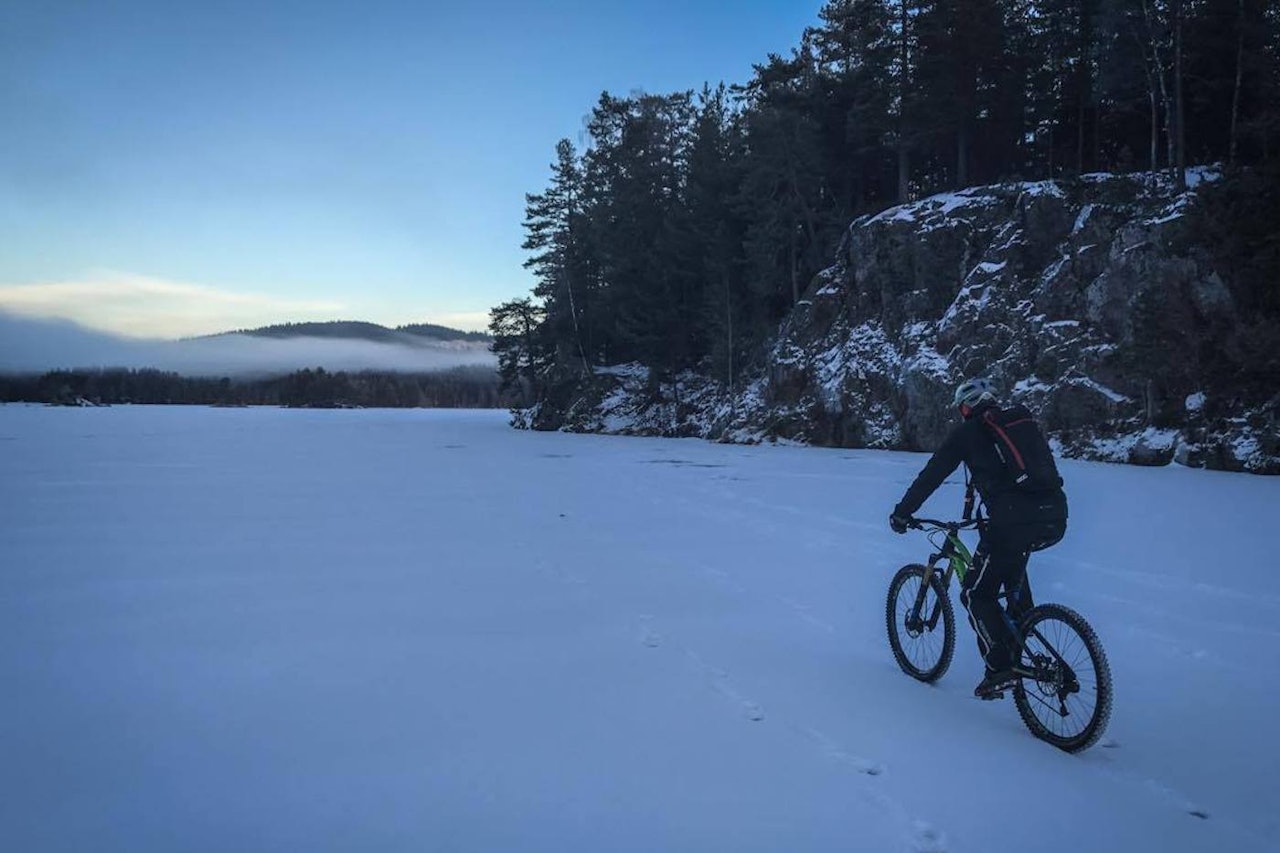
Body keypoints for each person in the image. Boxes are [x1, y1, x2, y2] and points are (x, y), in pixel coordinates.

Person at [889, 378, 1068, 699]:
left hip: (1012, 522)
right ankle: (1024, 637)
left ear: (965, 407)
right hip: (1054, 516)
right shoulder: (1016, 423)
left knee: (974, 593)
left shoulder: (968, 433)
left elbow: (933, 474)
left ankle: (1001, 667)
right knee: (1011, 577)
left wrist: (903, 512)